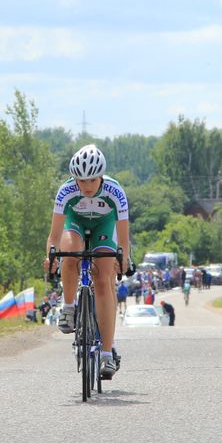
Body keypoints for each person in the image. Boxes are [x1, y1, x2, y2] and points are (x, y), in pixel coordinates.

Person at [44, 144, 130, 379]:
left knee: (103, 280)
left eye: (92, 180)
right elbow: (53, 236)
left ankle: (106, 354)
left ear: (101, 176)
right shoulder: (65, 191)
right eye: (81, 181)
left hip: (105, 225)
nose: (87, 186)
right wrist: (50, 256)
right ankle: (69, 307)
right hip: (76, 222)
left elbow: (123, 239)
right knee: (69, 253)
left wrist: (122, 258)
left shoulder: (115, 191)